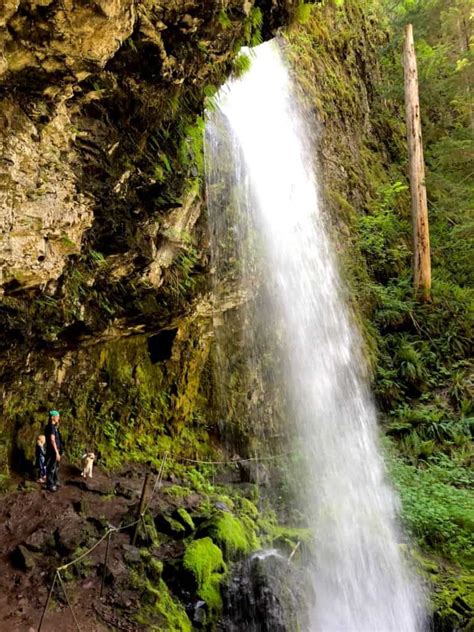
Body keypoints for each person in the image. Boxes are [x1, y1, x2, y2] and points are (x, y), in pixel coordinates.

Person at [44, 410, 63, 492]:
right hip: (53, 450)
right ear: (53, 417)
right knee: (51, 467)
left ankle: (55, 481)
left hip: (55, 449)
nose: (58, 418)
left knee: (55, 466)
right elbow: (52, 440)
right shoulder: (51, 427)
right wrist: (56, 452)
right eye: (57, 416)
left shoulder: (53, 427)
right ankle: (50, 484)